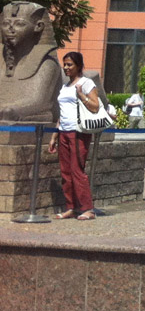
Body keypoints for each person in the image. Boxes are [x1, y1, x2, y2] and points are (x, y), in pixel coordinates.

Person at [49, 51, 100, 220]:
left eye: (70, 64)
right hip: (64, 131)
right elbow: (62, 113)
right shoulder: (65, 87)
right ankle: (71, 207)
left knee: (77, 170)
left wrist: (82, 96)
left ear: (78, 65)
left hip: (78, 132)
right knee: (65, 172)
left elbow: (95, 107)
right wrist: (54, 137)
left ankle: (87, 209)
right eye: (65, 64)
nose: (66, 68)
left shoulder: (86, 83)